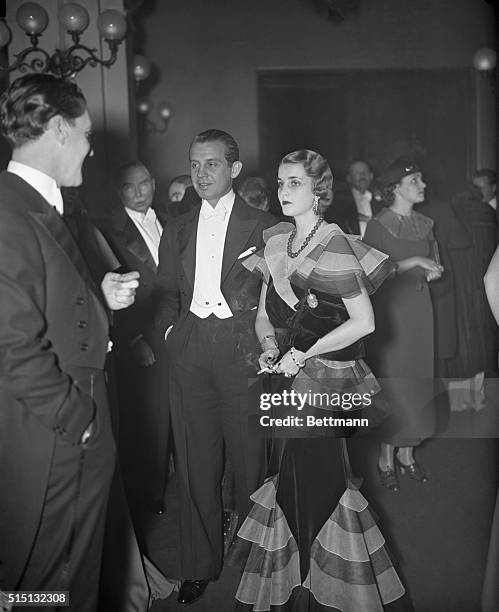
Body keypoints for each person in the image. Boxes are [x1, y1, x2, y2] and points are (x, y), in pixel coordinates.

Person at [227, 149, 410, 611]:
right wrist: (271, 349)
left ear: (319, 191)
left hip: (326, 387)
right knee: (288, 477)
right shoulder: (276, 243)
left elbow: (362, 323)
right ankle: (299, 586)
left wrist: (302, 354)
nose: (283, 191)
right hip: (285, 385)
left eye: (294, 183)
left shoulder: (336, 245)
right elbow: (266, 319)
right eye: (280, 182)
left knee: (319, 480)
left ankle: (326, 591)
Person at [0, 74, 139, 611]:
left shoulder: (38, 205)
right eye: (83, 132)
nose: (91, 144)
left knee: (69, 579)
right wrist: (78, 419)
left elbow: (43, 304)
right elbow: (11, 347)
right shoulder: (10, 211)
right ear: (58, 129)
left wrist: (97, 297)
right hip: (54, 437)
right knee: (50, 585)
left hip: (66, 427)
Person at [156, 129, 275, 605]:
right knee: (195, 464)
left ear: (234, 169)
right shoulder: (178, 225)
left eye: (211, 164)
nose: (201, 173)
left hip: (242, 351)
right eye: (195, 164)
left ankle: (259, 561)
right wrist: (169, 333)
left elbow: (285, 298)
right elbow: (164, 291)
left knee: (251, 462)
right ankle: (199, 565)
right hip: (190, 349)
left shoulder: (266, 225)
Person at [363, 160, 443, 491]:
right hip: (394, 316)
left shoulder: (426, 222)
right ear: (395, 187)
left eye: (421, 178)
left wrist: (432, 271)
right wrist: (411, 262)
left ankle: (407, 454)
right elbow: (370, 273)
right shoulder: (379, 225)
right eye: (415, 179)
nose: (422, 183)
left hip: (421, 311)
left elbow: (434, 261)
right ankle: (386, 457)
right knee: (396, 383)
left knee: (420, 380)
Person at [100, 161, 170, 515]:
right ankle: (149, 495)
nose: (140, 191)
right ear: (119, 191)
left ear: (154, 183)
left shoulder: (173, 221)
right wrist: (132, 340)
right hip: (143, 337)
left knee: (178, 415)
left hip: (179, 334)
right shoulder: (108, 231)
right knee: (149, 420)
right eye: (131, 186)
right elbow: (111, 294)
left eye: (145, 183)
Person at [325, 158, 384, 236]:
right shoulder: (338, 201)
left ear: (371, 176)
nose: (362, 175)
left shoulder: (381, 201)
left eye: (365, 172)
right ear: (349, 178)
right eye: (357, 172)